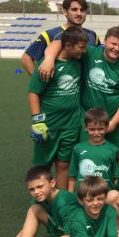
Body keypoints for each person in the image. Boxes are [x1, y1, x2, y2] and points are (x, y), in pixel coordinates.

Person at [28, 26, 88, 189]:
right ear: (67, 45)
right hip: (48, 125)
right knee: (42, 166)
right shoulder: (46, 65)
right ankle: (39, 202)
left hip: (71, 125)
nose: (83, 51)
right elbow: (33, 92)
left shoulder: (78, 62)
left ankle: (59, 203)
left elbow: (56, 44)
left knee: (63, 166)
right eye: (81, 48)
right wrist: (36, 121)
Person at [0, 166, 79, 237]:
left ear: (52, 183)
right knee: (34, 208)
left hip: (80, 236)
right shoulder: (41, 197)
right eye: (32, 189)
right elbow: (32, 219)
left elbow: (71, 235)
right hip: (61, 229)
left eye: (40, 186)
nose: (36, 192)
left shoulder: (64, 203)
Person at [21, 0, 100, 76]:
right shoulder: (50, 35)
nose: (79, 13)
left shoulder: (92, 36)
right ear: (65, 11)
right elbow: (26, 58)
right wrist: (39, 82)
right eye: (74, 9)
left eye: (82, 10)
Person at [68, 108, 119, 192]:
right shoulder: (78, 149)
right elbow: (72, 177)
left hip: (105, 197)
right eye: (92, 129)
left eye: (100, 129)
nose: (96, 133)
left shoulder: (113, 150)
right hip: (82, 197)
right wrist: (71, 196)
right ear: (85, 128)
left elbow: (116, 178)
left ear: (107, 127)